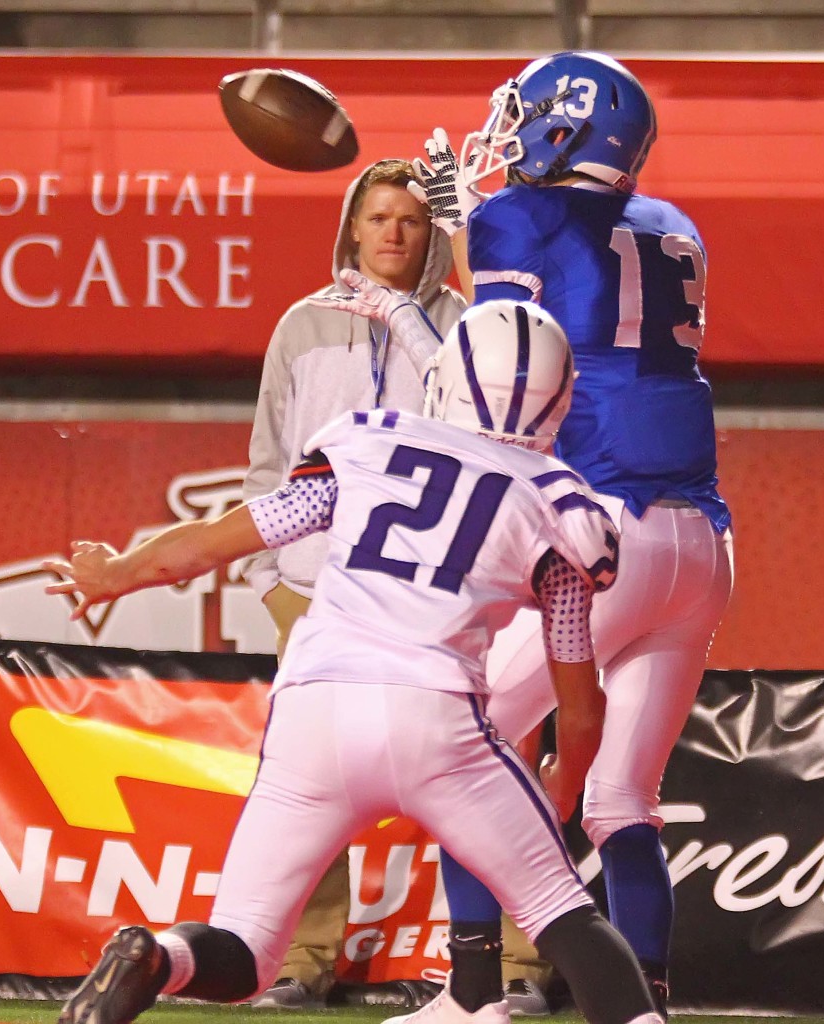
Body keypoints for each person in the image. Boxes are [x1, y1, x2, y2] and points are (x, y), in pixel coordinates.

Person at [47, 299, 661, 1024]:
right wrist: (563, 782)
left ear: (445, 379)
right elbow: (579, 699)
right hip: (435, 721)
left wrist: (117, 573)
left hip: (314, 708)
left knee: (242, 951)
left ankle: (156, 954)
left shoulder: (371, 445)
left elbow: (217, 541)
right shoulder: (560, 505)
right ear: (560, 397)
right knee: (564, 916)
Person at [366, 50, 734, 1020]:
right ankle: (644, 1000)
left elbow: (496, 363)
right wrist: (467, 230)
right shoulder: (672, 225)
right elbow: (571, 291)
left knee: (467, 739)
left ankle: (471, 989)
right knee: (620, 798)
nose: (505, 132)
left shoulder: (510, 218)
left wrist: (454, 243)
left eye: (520, 115)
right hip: (699, 539)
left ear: (570, 127)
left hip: (601, 521)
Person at [240, 157, 466, 1009]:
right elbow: (269, 454)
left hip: (430, 588)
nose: (393, 233)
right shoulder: (302, 324)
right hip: (315, 591)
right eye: (377, 218)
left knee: (481, 765)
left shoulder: (460, 327)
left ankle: (505, 964)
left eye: (409, 219)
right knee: (306, 777)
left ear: (432, 234)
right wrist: (271, 578)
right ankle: (302, 958)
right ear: (352, 228)